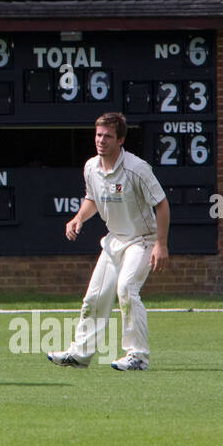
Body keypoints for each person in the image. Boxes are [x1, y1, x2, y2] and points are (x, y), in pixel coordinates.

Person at [48, 112, 169, 371]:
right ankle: (80, 354)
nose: (101, 140)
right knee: (95, 296)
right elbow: (92, 198)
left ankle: (138, 355)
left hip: (142, 240)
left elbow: (161, 204)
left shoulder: (137, 169)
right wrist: (79, 218)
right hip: (115, 240)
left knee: (126, 289)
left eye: (108, 136)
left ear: (121, 140)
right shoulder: (91, 167)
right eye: (98, 135)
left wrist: (161, 244)